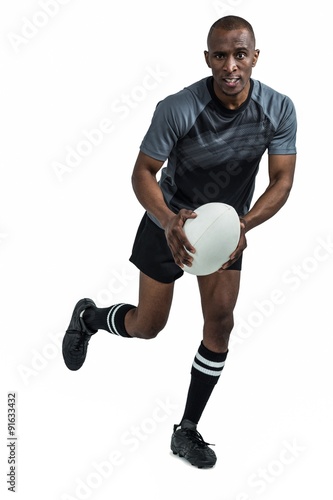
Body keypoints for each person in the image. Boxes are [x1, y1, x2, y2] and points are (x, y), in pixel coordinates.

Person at [62, 15, 297, 468]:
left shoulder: (279, 108)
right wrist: (169, 221)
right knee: (148, 326)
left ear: (255, 57)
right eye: (221, 56)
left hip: (226, 229)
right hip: (168, 222)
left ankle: (186, 430)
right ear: (208, 59)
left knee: (221, 324)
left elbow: (283, 180)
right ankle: (89, 318)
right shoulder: (179, 106)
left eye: (240, 54)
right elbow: (142, 172)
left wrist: (243, 226)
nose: (231, 66)